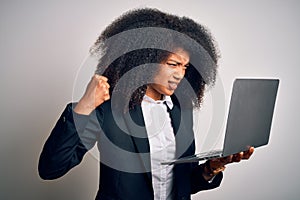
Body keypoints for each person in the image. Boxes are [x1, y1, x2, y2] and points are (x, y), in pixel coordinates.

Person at [38, 8, 254, 200]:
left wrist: (212, 168)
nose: (180, 74)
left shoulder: (180, 110)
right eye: (173, 64)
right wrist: (83, 107)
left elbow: (182, 183)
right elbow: (51, 168)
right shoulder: (109, 109)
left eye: (185, 67)